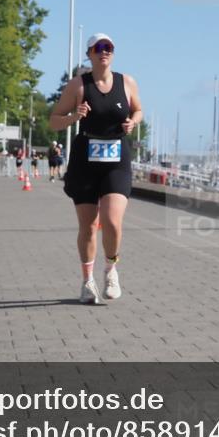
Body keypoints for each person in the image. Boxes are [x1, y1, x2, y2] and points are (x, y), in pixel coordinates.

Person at [50, 33, 142, 304]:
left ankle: (111, 270)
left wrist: (133, 122)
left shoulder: (127, 82)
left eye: (109, 47)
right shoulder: (78, 85)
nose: (104, 51)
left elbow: (138, 110)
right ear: (89, 53)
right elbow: (53, 121)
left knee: (112, 222)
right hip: (85, 160)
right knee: (89, 226)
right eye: (99, 48)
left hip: (116, 158)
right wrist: (74, 117)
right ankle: (87, 281)